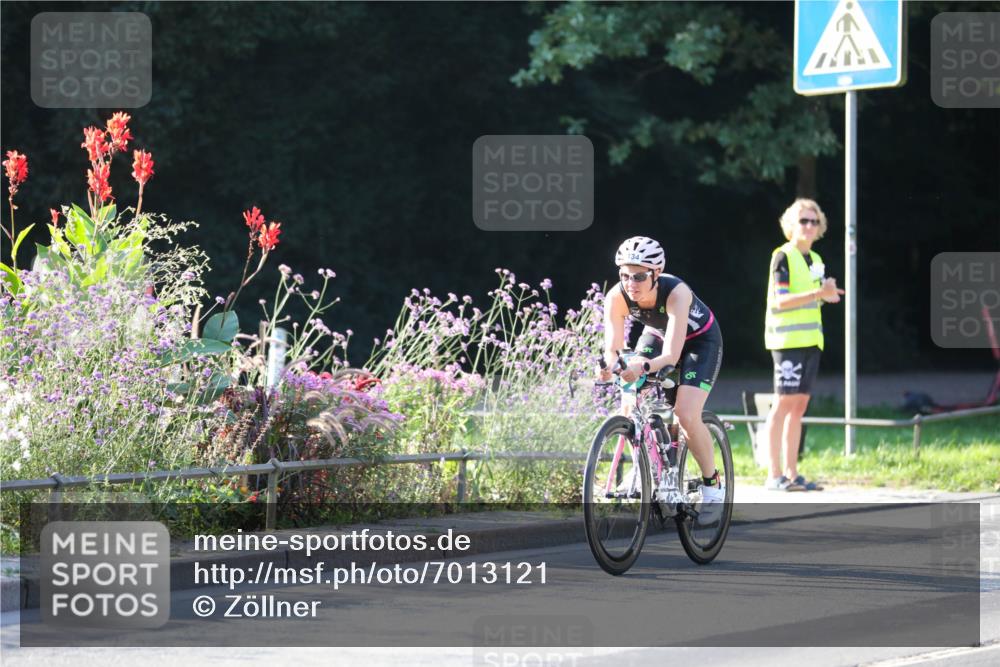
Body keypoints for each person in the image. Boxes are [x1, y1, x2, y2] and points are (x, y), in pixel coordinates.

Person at [598, 236, 725, 518]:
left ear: (656, 273)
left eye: (640, 276)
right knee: (629, 398)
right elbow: (613, 348)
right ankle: (645, 465)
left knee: (686, 413)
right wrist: (609, 366)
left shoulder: (677, 292)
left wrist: (642, 367)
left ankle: (713, 484)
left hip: (699, 342)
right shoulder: (616, 297)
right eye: (625, 275)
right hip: (657, 335)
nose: (631, 283)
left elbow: (671, 355)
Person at [763, 198, 844, 491]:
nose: (809, 226)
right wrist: (817, 293)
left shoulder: (817, 259)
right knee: (782, 405)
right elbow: (781, 301)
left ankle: (792, 473)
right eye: (803, 221)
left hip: (812, 341)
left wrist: (828, 294)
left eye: (814, 221)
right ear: (791, 226)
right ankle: (774, 475)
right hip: (786, 341)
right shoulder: (782, 256)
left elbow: (816, 296)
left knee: (799, 407)